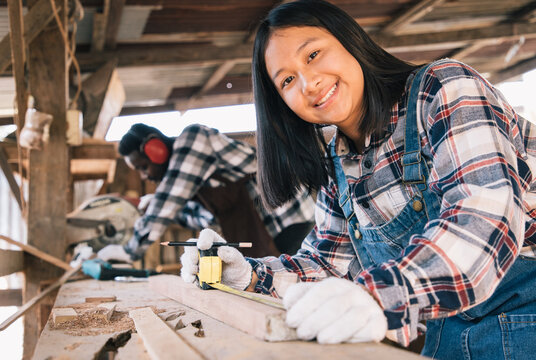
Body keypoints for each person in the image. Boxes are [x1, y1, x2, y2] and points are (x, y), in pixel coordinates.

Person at [179, 1, 536, 359]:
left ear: (350, 41)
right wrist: (249, 277)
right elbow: (327, 264)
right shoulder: (338, 162)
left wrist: (379, 297)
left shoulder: (443, 87)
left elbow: (485, 218)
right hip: (452, 332)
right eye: (287, 80)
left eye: (313, 54)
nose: (309, 83)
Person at [97, 123, 315, 262]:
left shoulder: (194, 139)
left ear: (157, 151)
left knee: (293, 291)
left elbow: (169, 199)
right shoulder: (193, 183)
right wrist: (153, 204)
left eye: (144, 167)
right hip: (266, 238)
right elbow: (202, 217)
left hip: (289, 221)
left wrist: (129, 250)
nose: (145, 177)